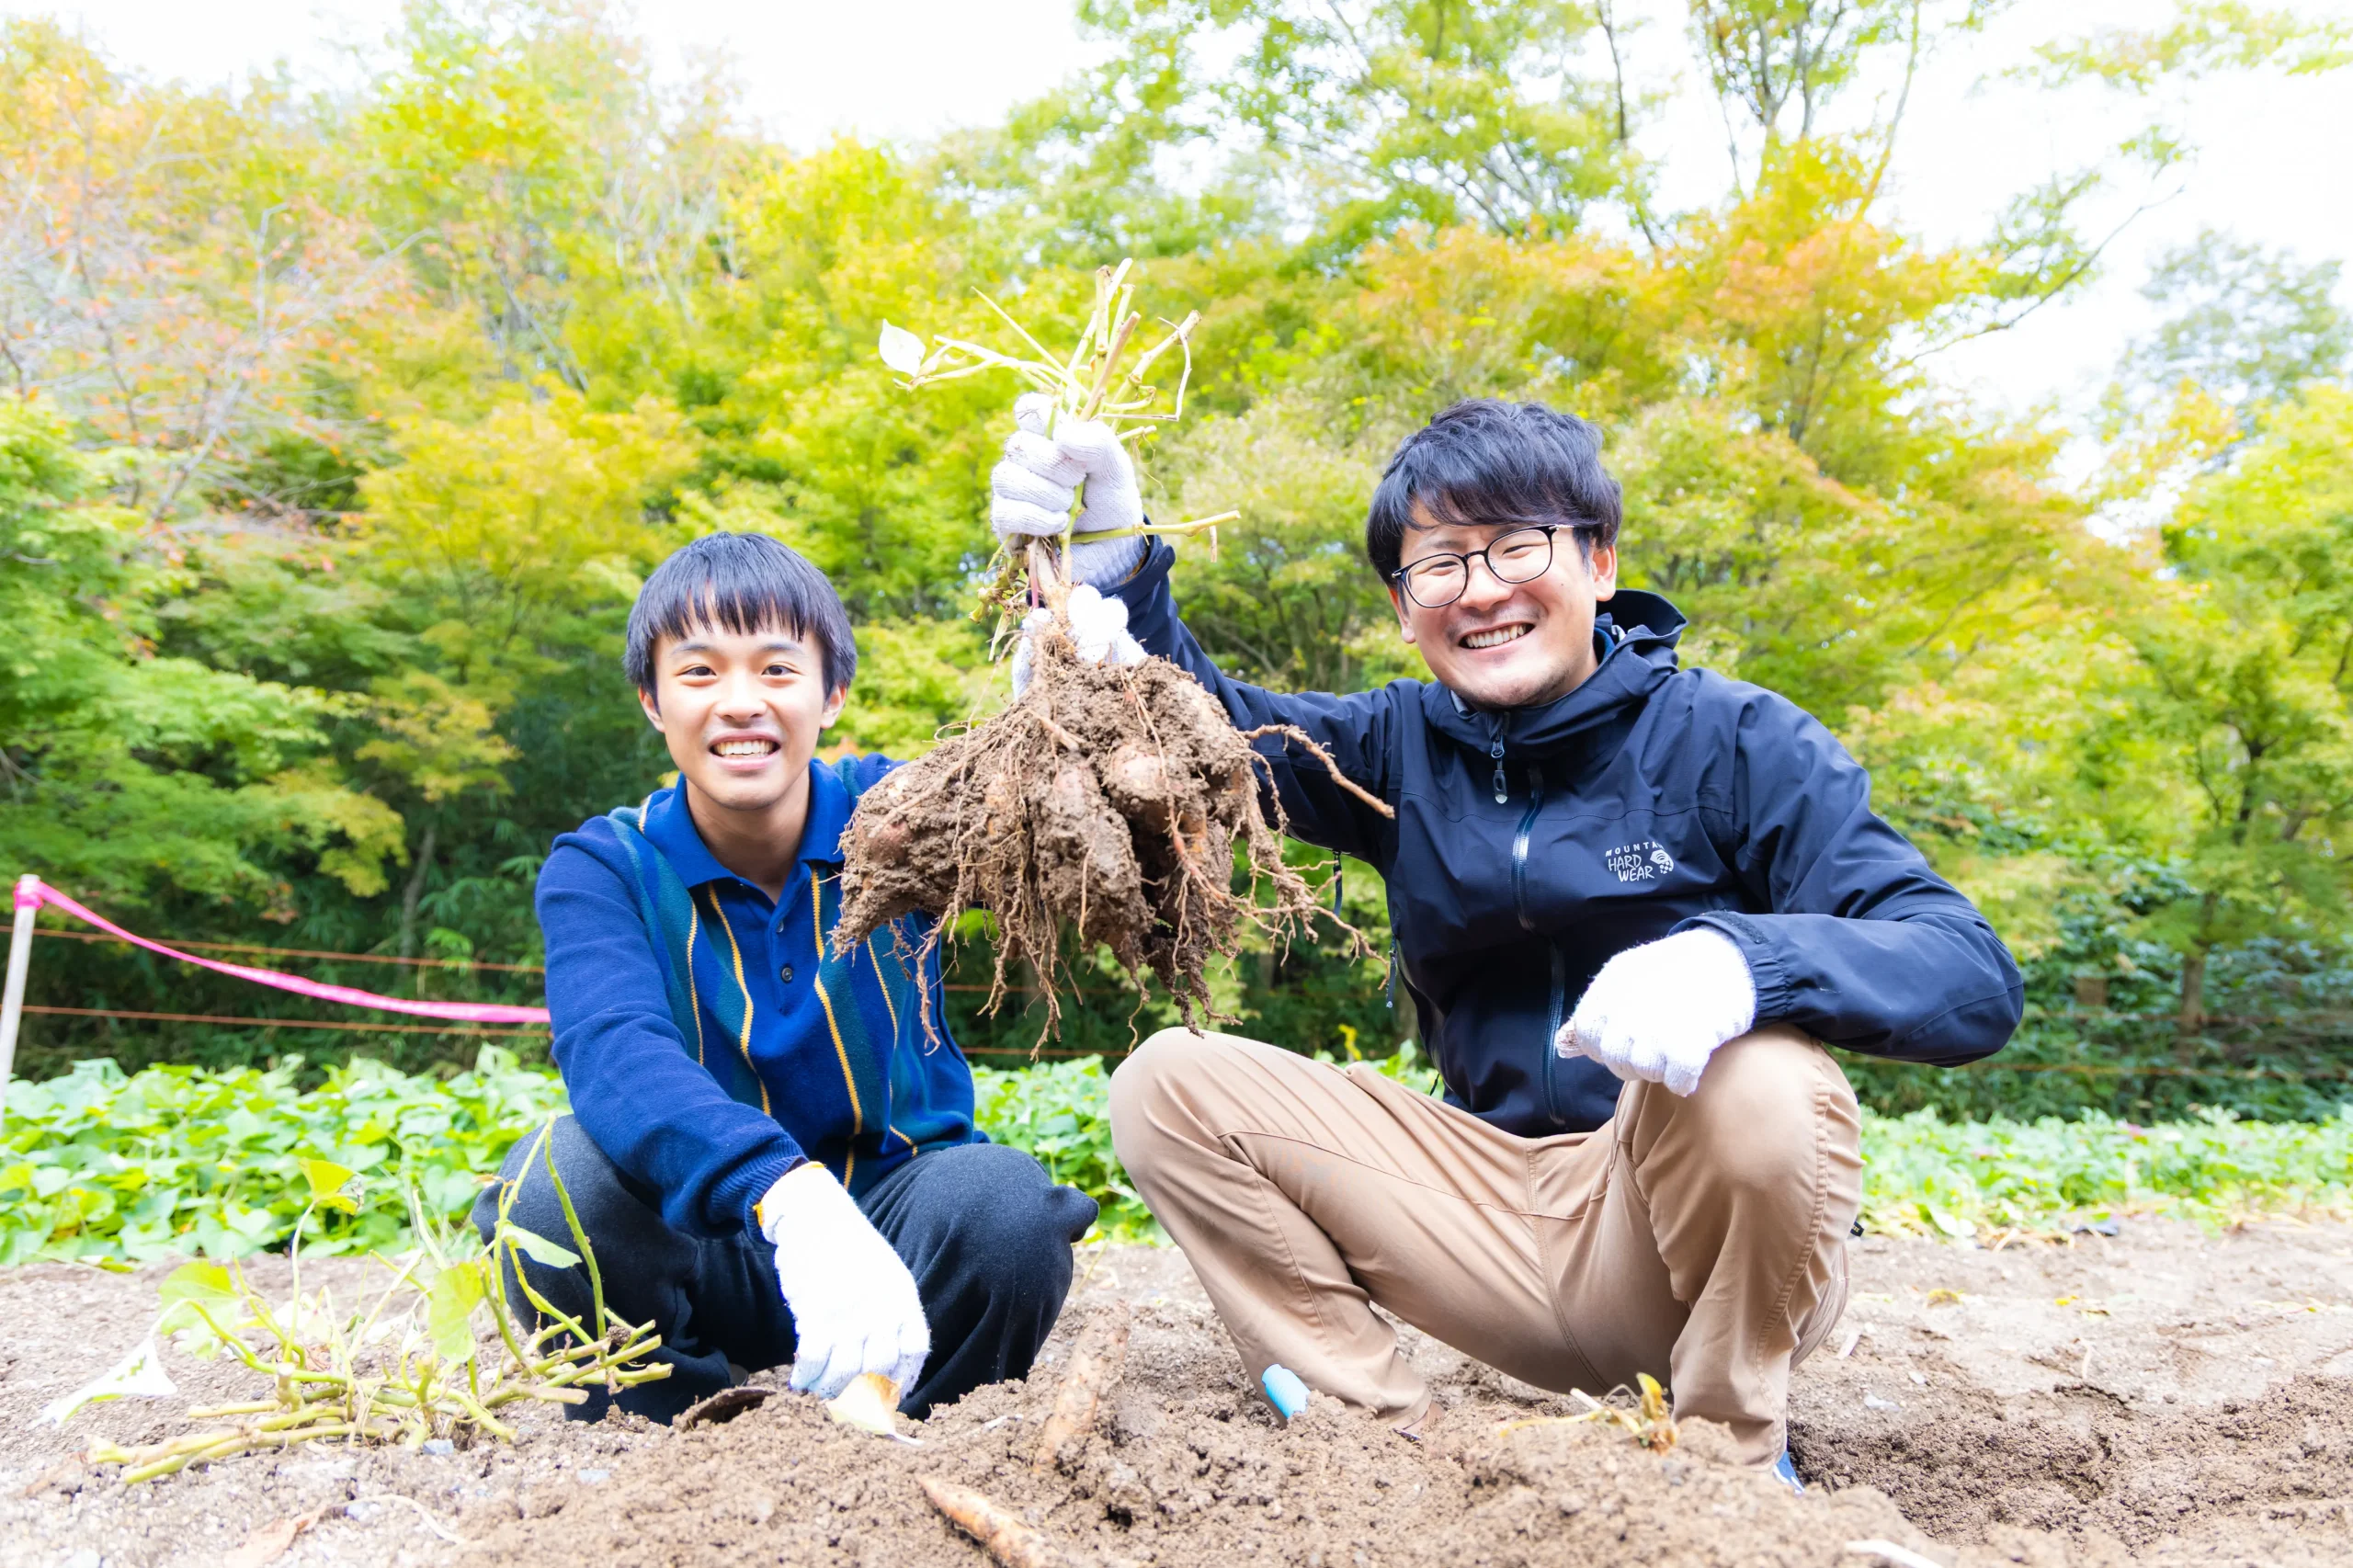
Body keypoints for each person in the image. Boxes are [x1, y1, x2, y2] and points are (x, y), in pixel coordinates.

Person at [987, 394, 2021, 1483]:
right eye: (1438, 564)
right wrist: (1109, 571)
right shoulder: (1395, 745)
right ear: (1404, 607)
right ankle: (1372, 1441)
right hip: (1482, 1213)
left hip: (1676, 1239)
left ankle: (1729, 1462)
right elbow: (1210, 730)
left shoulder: (1735, 740)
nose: (1480, 590)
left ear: (1600, 561)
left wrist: (1743, 961)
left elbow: (1966, 968)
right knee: (1170, 1082)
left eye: (1517, 546)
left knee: (1759, 1072)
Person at [478, 531, 1097, 1425]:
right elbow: (614, 1051)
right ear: (652, 699)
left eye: (776, 669)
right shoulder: (604, 866)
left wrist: (1068, 695)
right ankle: (675, 1418)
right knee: (550, 1185)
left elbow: (1055, 817)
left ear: (831, 692)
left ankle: (900, 1405)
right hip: (700, 1242)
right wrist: (789, 1194)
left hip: (891, 1234)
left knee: (1006, 1209)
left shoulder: (899, 814)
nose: (739, 703)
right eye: (699, 672)